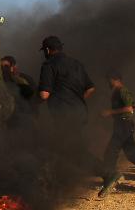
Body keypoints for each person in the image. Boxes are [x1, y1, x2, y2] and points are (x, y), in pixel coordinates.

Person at [37, 35, 101, 174]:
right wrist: (76, 100)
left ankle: (107, 172)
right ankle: (64, 180)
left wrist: (31, 103)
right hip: (80, 112)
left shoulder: (49, 65)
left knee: (71, 149)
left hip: (64, 114)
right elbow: (91, 88)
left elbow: (44, 94)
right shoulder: (76, 63)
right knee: (67, 147)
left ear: (47, 50)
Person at [0, 55, 38, 128]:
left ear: (13, 67)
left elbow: (34, 99)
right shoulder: (1, 82)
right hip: (11, 121)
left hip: (26, 118)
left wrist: (34, 116)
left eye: (6, 66)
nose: (3, 69)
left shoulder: (24, 79)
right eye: (1, 67)